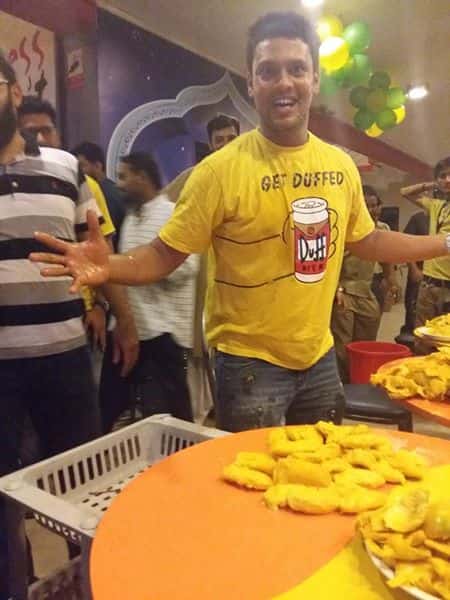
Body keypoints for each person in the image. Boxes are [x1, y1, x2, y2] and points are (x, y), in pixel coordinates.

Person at [31, 12, 450, 434]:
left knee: (321, 465)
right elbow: (162, 254)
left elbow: (369, 240)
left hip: (319, 356)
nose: (284, 83)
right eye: (268, 71)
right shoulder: (218, 172)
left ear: (315, 79)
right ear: (251, 83)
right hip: (248, 364)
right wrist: (109, 266)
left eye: (296, 69)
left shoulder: (340, 165)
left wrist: (445, 243)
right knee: (251, 469)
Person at [0, 52, 102, 599]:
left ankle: (91, 583)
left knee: (81, 485)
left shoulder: (66, 168)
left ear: (14, 92)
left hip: (65, 355)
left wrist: (117, 316)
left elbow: (97, 255)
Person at [18, 96, 138, 365]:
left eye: (47, 130)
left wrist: (101, 307)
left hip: (78, 322)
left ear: (58, 134)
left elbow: (103, 253)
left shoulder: (79, 181)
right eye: (31, 132)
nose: (41, 139)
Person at [100, 152, 198, 432]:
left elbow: (188, 266)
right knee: (108, 407)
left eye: (124, 176)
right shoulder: (132, 217)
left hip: (163, 333)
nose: (119, 184)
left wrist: (144, 267)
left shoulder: (172, 213)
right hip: (128, 329)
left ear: (142, 177)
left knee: (173, 418)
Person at [331, 185, 397, 382]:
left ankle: (361, 380)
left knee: (366, 342)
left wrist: (392, 281)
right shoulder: (346, 230)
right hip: (345, 291)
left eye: (375, 205)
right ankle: (343, 384)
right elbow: (332, 261)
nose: (371, 210)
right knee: (343, 345)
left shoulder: (382, 229)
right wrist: (336, 289)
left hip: (367, 292)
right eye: (366, 206)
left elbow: (386, 257)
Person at [401, 157, 450, 335]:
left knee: (446, 339)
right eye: (443, 176)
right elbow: (405, 192)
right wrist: (433, 184)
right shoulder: (436, 205)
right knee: (423, 337)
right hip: (428, 285)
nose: (448, 180)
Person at [163, 113, 240, 203]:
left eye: (231, 138)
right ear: (210, 145)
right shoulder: (194, 175)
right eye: (219, 140)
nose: (226, 144)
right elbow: (162, 200)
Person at [72, 141, 126, 249]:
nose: (78, 172)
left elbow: (106, 238)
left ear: (98, 166)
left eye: (82, 166)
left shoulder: (106, 194)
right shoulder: (112, 189)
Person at [397, 210, 429, 340]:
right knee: (414, 317)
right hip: (420, 275)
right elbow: (404, 245)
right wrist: (413, 268)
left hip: (443, 279)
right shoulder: (419, 218)